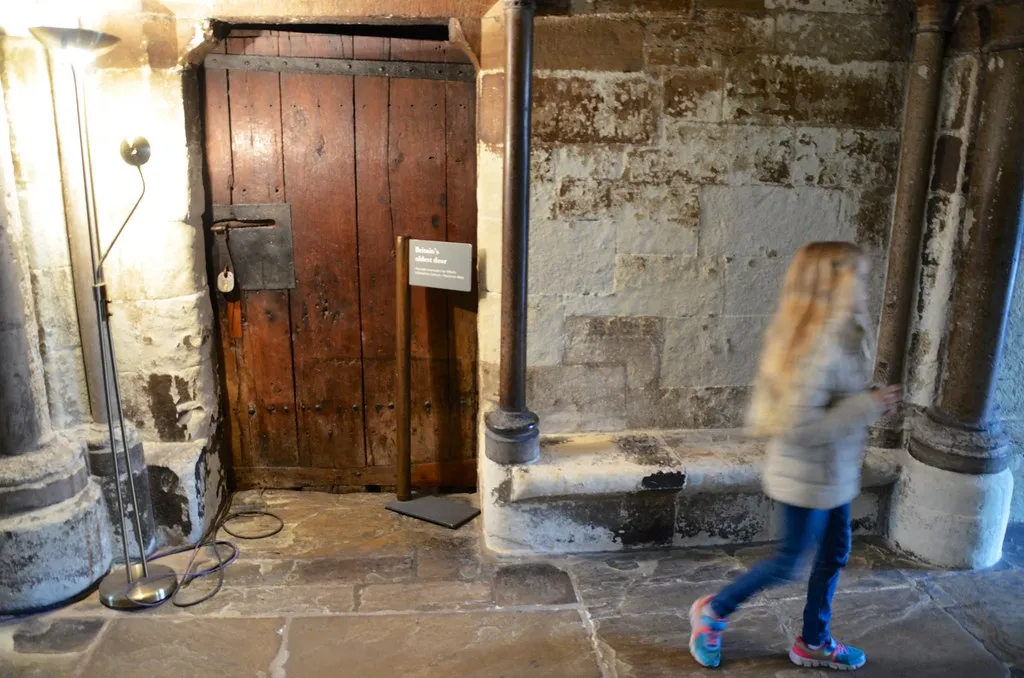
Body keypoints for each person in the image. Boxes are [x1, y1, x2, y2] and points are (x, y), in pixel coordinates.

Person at [688, 241, 902, 672]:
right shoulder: (815, 348)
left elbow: (833, 403)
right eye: (857, 278)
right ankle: (713, 613)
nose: (866, 286)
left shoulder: (842, 333)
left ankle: (814, 641)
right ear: (832, 284)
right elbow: (800, 427)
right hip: (805, 477)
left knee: (835, 553)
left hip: (833, 475)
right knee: (788, 563)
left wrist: (865, 398)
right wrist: (867, 405)